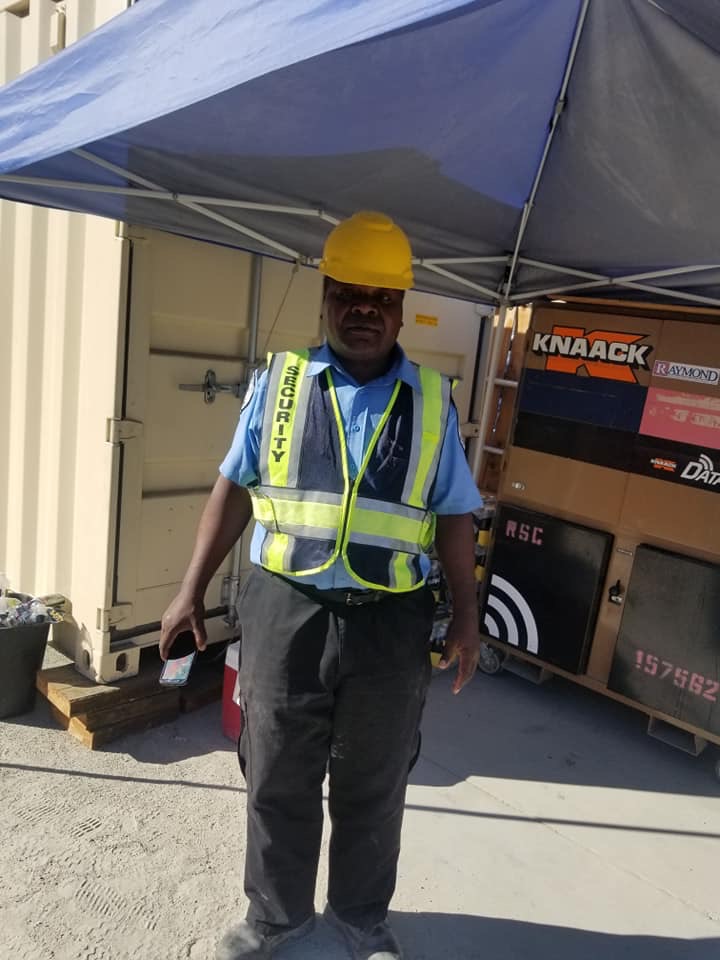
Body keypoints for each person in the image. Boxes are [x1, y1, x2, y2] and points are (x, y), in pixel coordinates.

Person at [159, 211, 483, 960]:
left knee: (375, 779)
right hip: (284, 610)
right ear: (325, 297)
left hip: (391, 622)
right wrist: (188, 591)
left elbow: (457, 516)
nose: (362, 309)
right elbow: (234, 488)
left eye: (380, 296)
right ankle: (273, 918)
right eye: (347, 293)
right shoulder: (279, 383)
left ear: (401, 307)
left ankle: (362, 920)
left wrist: (465, 617)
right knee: (276, 768)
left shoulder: (434, 401)